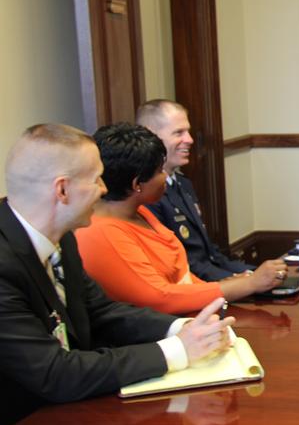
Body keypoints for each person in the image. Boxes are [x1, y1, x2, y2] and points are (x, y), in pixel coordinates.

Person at [0, 123, 234, 425]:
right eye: (96, 179)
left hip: (69, 418)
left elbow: (101, 311)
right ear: (62, 190)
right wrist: (178, 350)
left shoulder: (63, 237)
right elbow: (55, 373)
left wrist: (183, 327)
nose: (104, 189)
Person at [75, 123, 286, 314]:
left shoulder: (140, 211)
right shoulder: (101, 232)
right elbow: (160, 298)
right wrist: (249, 285)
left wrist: (234, 284)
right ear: (137, 184)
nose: (166, 178)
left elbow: (183, 279)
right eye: (159, 171)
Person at [137, 99, 276, 281]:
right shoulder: (147, 195)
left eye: (188, 132)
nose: (190, 140)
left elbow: (211, 255)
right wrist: (243, 281)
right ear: (151, 135)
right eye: (179, 132)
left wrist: (252, 273)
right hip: (194, 290)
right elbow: (182, 266)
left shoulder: (182, 183)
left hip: (215, 280)